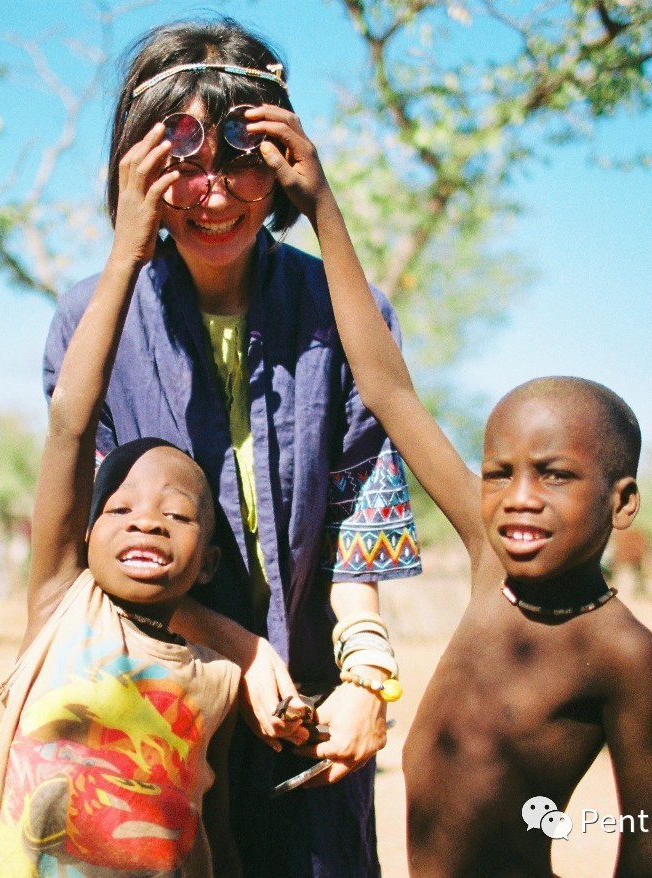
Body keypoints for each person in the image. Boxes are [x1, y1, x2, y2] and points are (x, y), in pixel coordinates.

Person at [42, 18, 422, 878]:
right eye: (182, 160)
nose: (214, 194)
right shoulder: (88, 325)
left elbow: (362, 493)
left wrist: (366, 672)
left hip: (313, 700)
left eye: (244, 155)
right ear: (134, 168)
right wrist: (240, 650)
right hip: (156, 691)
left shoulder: (343, 310)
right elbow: (92, 542)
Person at [305, 138, 652, 875]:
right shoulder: (487, 558)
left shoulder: (621, 651)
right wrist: (319, 204)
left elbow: (648, 833)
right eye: (499, 473)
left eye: (555, 475)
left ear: (621, 500)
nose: (519, 499)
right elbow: (388, 388)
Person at [0, 120, 241, 877]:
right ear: (82, 538)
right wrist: (127, 254)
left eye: (177, 513)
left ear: (209, 561)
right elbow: (68, 423)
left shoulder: (219, 681)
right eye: (117, 509)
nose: (146, 517)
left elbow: (213, 835)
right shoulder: (60, 609)